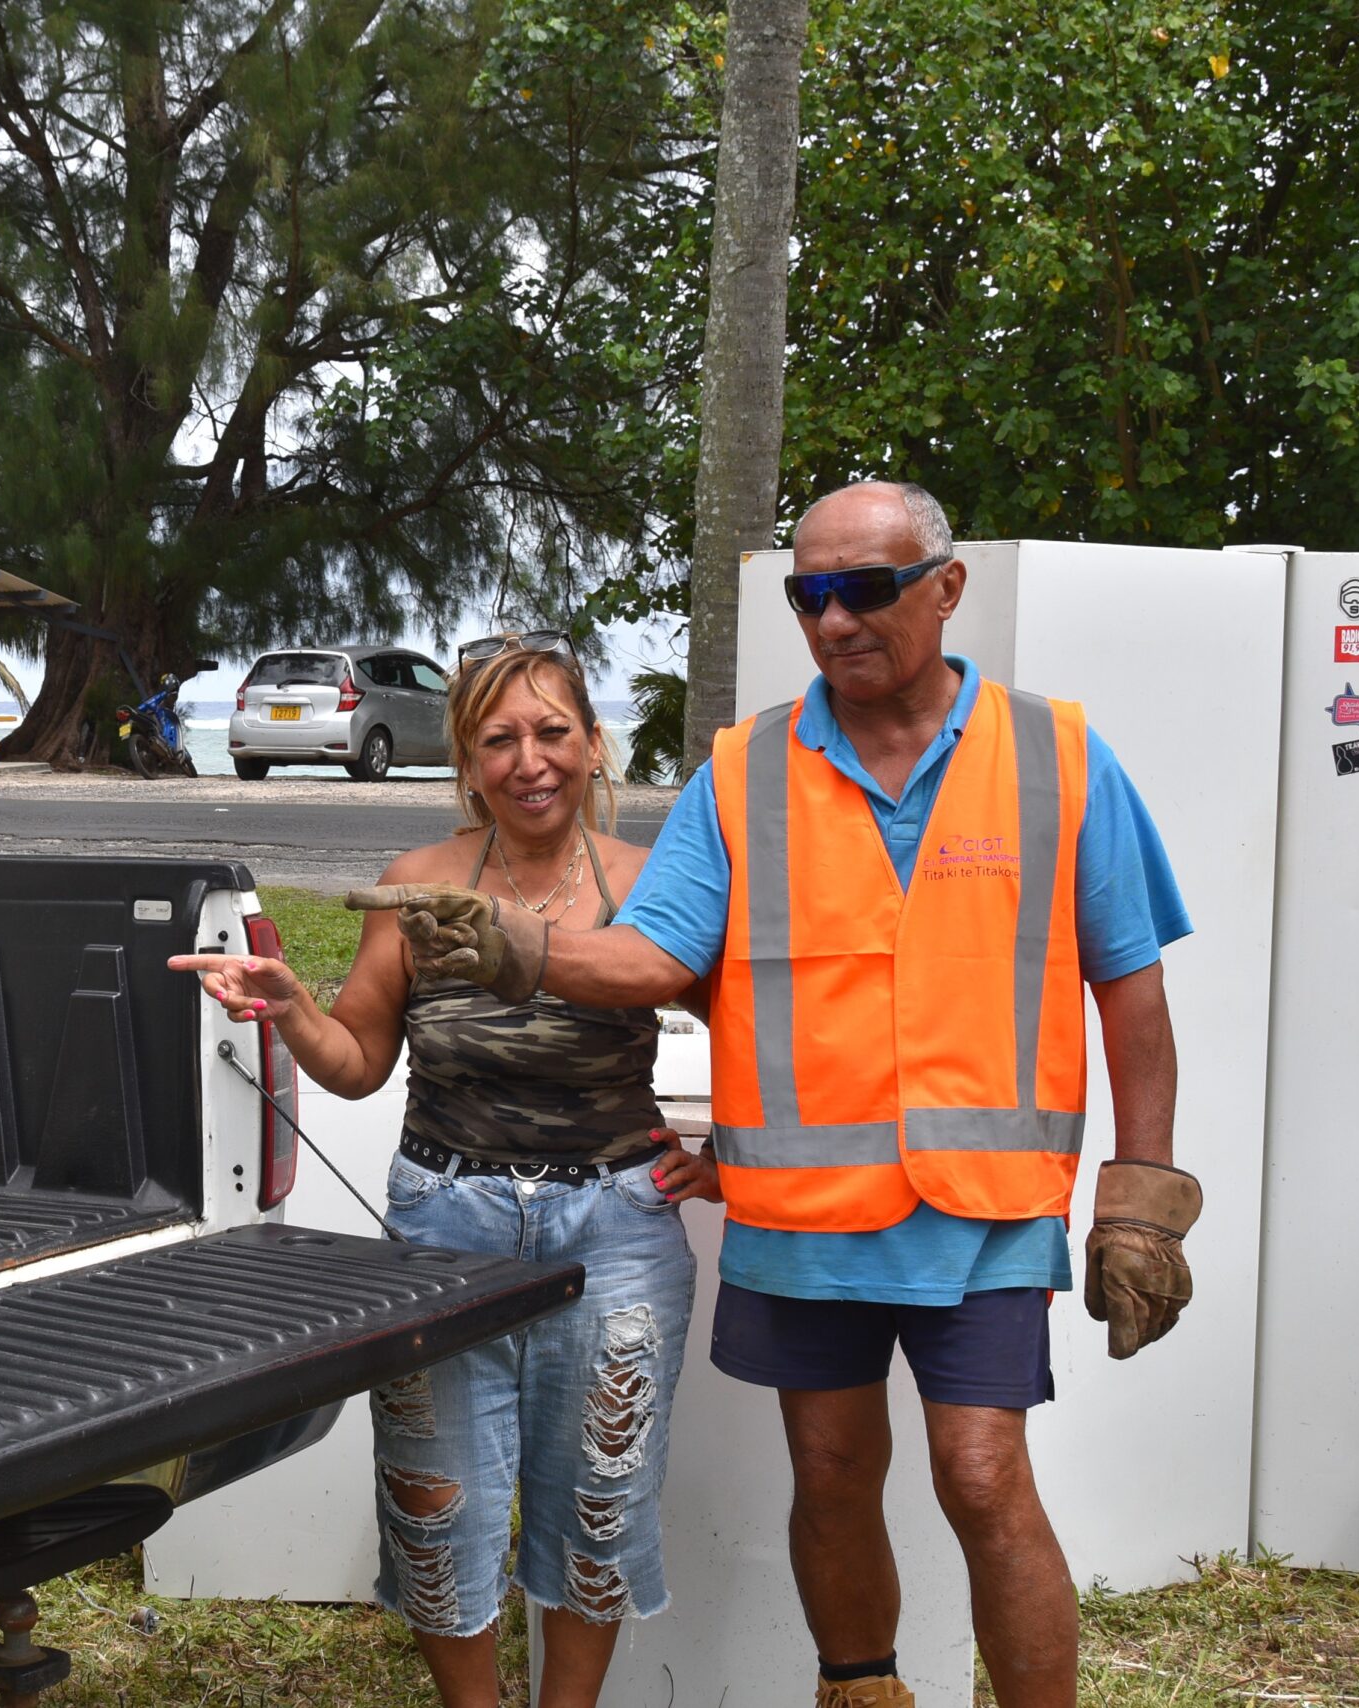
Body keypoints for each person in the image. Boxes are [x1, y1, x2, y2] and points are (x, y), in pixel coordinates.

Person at [355, 481, 1201, 1708]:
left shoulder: (1055, 755)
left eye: (866, 588)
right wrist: (513, 946)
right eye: (811, 595)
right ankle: (860, 1689)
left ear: (946, 587)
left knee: (978, 1474)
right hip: (805, 1210)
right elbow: (657, 960)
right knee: (832, 1464)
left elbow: (1131, 990)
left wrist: (1143, 1197)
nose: (836, 619)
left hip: (985, 1205)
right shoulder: (745, 770)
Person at [172, 637, 716, 1708]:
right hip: (444, 1221)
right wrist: (291, 1009)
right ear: (467, 761)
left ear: (592, 743)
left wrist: (731, 1147)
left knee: (597, 1504)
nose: (530, 760)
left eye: (552, 731)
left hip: (613, 1225)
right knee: (439, 1505)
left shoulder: (649, 885)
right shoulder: (419, 885)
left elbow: (749, 1023)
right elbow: (359, 1062)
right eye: (498, 739)